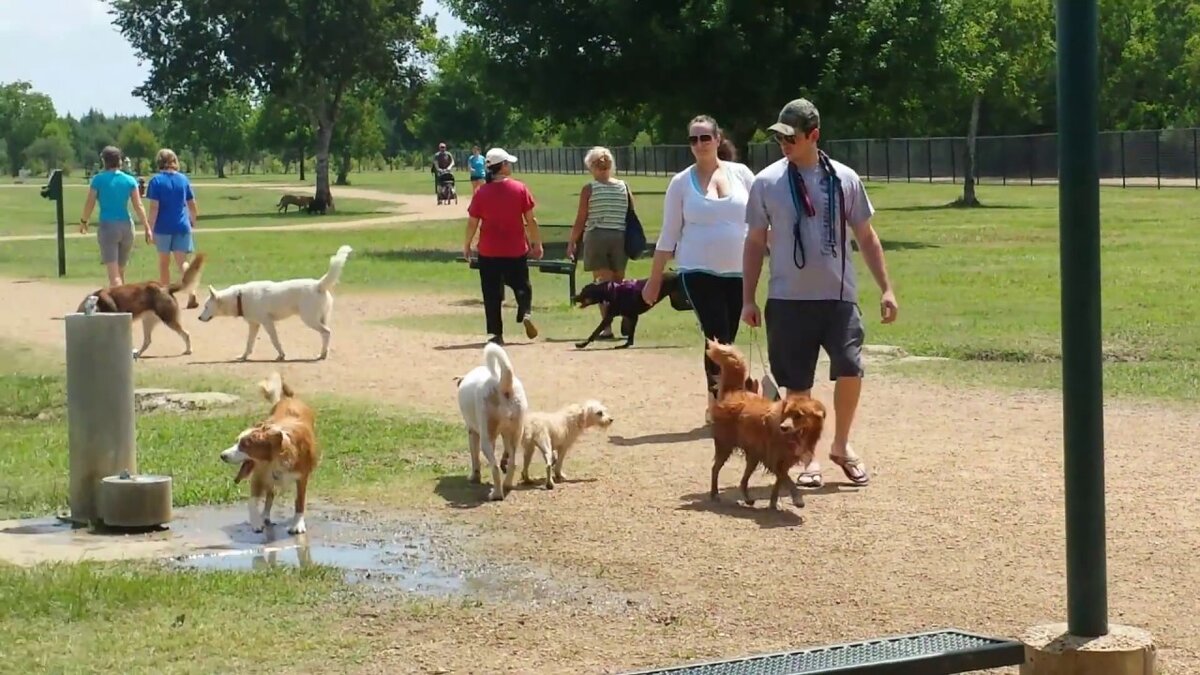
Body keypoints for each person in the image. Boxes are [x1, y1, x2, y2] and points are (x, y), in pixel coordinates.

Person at [742, 98, 899, 488]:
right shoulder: (766, 182)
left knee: (850, 367)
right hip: (788, 299)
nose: (783, 144)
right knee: (797, 385)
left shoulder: (845, 179)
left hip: (839, 298)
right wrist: (748, 297)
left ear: (814, 135)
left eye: (791, 137)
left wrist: (886, 288)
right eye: (779, 137)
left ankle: (841, 446)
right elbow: (754, 241)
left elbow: (866, 235)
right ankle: (805, 456)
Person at [642, 115, 755, 424]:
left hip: (738, 270)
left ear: (718, 139)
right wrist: (654, 281)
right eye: (693, 139)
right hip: (697, 269)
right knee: (716, 336)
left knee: (728, 338)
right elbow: (668, 234)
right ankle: (720, 405)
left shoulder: (742, 174)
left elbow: (762, 221)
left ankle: (720, 400)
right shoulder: (681, 183)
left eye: (705, 137)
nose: (699, 144)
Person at [463, 148, 544, 345]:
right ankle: (525, 311)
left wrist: (467, 244)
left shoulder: (482, 192)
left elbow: (473, 221)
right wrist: (537, 243)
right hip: (515, 249)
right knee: (522, 285)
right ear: (504, 166)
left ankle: (495, 334)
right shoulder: (520, 188)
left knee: (491, 293)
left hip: (489, 250)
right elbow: (531, 220)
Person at [567, 146, 634, 339]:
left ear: (590, 166)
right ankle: (627, 317)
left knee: (604, 285)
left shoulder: (589, 189)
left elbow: (581, 218)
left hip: (597, 237)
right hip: (620, 238)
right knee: (619, 284)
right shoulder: (624, 186)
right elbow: (631, 215)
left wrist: (572, 242)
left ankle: (607, 327)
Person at [78, 145, 152, 287]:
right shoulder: (130, 180)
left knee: (114, 276)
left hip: (108, 226)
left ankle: (118, 307)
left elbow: (90, 203)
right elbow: (138, 205)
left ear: (104, 161)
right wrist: (147, 226)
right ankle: (124, 302)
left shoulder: (98, 180)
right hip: (127, 226)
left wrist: (84, 221)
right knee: (120, 271)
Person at [145, 148, 200, 307]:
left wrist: (150, 227)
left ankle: (166, 296)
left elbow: (154, 207)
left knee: (164, 263)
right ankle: (192, 292)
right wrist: (192, 220)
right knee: (182, 262)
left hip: (163, 227)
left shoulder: (156, 181)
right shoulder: (183, 179)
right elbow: (192, 204)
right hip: (182, 225)